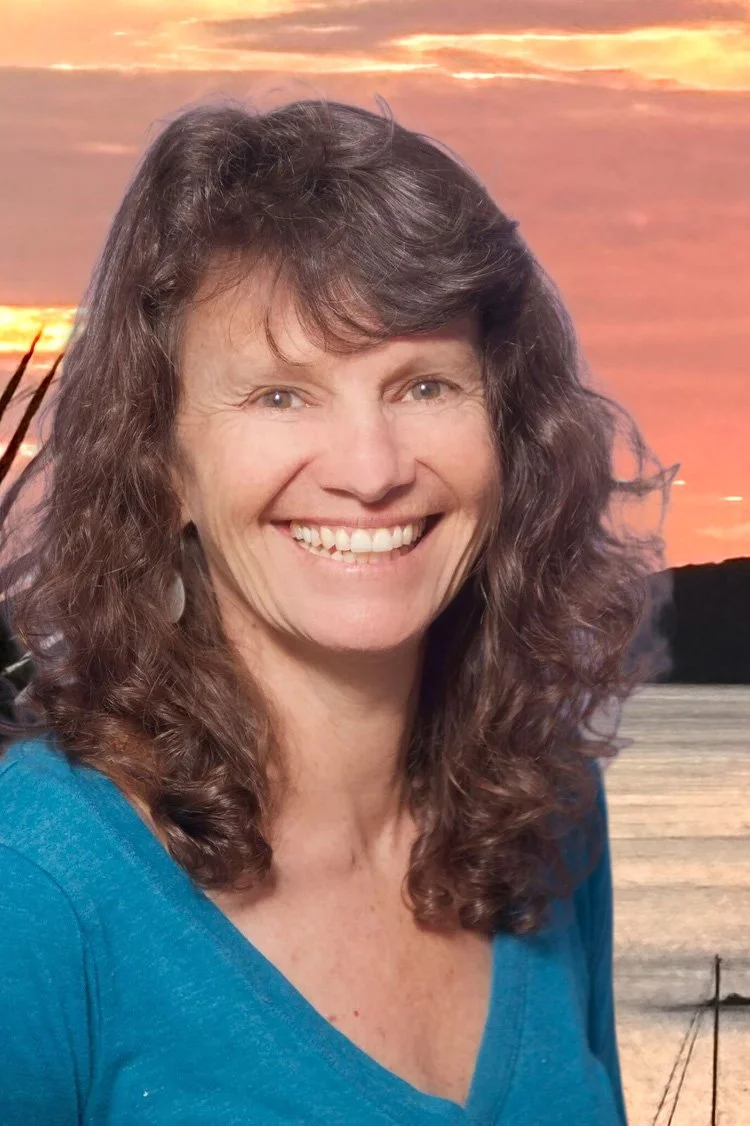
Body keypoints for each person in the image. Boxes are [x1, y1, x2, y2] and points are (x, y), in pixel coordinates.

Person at [0, 96, 674, 1125]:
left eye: (425, 386)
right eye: (281, 394)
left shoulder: (549, 811)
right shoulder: (39, 885)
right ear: (162, 463)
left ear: (509, 435)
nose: (370, 470)